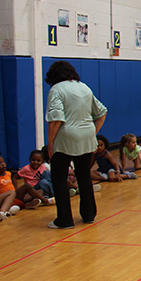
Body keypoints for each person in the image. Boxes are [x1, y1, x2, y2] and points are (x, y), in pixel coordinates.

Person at [45, 60, 107, 228]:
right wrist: (91, 133)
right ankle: (88, 215)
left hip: (66, 136)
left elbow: (56, 118)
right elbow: (101, 112)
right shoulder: (84, 87)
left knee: (59, 178)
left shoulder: (56, 89)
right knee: (84, 176)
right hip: (86, 135)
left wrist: (50, 142)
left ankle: (64, 220)